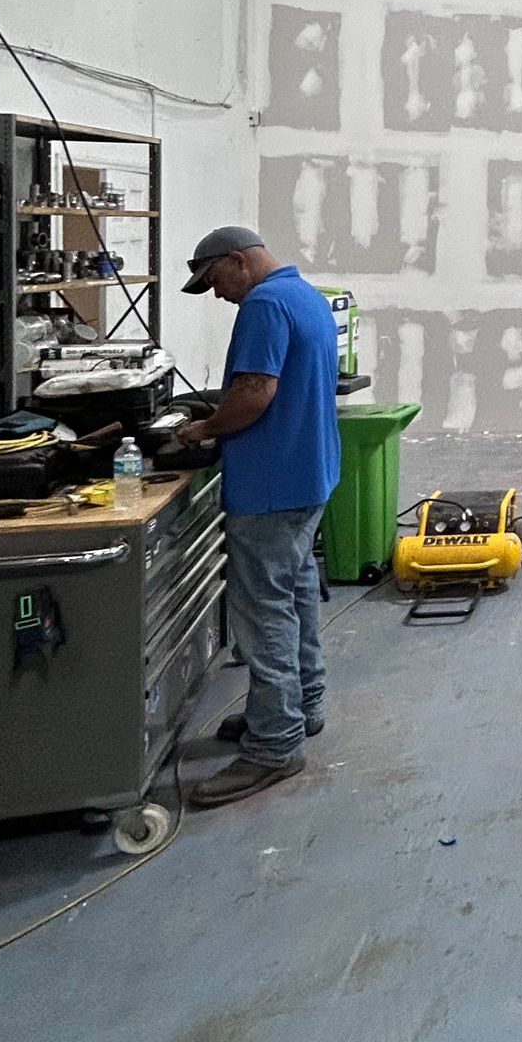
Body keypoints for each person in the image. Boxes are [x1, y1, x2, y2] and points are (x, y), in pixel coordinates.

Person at [176, 225, 341, 808]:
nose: (218, 295)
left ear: (238, 261)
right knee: (294, 595)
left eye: (215, 280)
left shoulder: (264, 304)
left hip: (271, 486)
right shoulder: (308, 297)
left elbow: (254, 394)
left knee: (263, 613)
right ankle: (303, 707)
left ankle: (274, 745)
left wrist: (203, 428)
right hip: (309, 475)